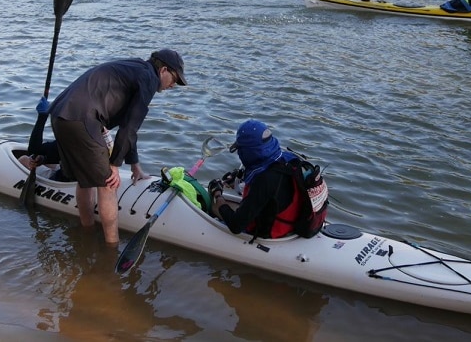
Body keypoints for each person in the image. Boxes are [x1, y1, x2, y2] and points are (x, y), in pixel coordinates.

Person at [48, 49, 187, 244]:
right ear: (163, 70)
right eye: (175, 79)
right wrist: (114, 165)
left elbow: (129, 126)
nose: (174, 85)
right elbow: (130, 126)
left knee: (84, 179)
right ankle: (111, 247)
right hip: (83, 118)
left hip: (60, 114)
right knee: (107, 184)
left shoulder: (136, 68)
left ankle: (86, 233)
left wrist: (134, 164)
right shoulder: (149, 79)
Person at [210, 120, 302, 239]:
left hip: (270, 234)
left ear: (248, 152)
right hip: (292, 224)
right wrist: (239, 178)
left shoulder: (264, 180)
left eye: (240, 150)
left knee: (213, 207)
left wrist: (217, 194)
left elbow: (236, 226)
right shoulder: (289, 160)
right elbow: (274, 191)